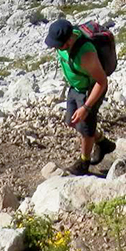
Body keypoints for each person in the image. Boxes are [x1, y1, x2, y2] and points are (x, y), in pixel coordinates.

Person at [45, 19, 114, 174]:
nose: (55, 48)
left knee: (85, 127)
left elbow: (101, 82)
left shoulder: (86, 53)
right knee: (71, 121)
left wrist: (86, 107)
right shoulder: (63, 43)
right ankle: (103, 142)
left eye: (58, 45)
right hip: (75, 87)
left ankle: (84, 162)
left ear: (69, 40)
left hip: (89, 90)